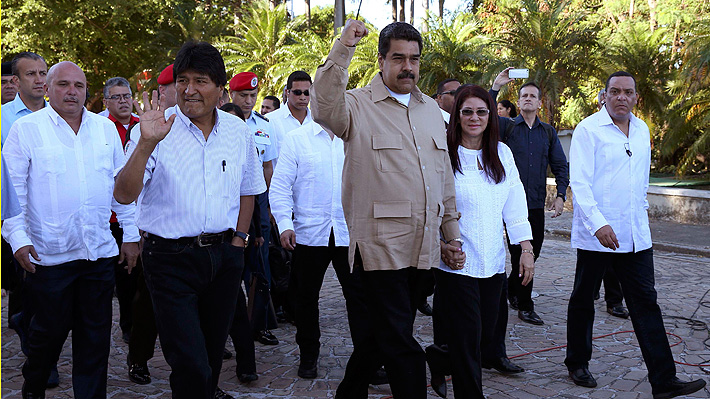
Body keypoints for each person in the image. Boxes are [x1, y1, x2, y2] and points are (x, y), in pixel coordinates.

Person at [312, 19, 465, 398]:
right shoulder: (357, 106)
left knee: (384, 335)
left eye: (414, 58)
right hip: (379, 249)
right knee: (400, 343)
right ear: (381, 60)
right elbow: (323, 106)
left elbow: (443, 177)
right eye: (398, 58)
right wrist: (343, 47)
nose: (407, 67)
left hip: (423, 248)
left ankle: (348, 392)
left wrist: (451, 236)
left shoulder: (431, 110)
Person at [114, 41, 266, 399]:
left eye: (201, 80)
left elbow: (249, 188)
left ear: (220, 88)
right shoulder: (152, 130)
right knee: (191, 363)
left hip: (224, 259)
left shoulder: (237, 130)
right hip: (169, 260)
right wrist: (146, 144)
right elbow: (123, 194)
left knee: (211, 359)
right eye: (183, 80)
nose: (189, 89)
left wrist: (239, 242)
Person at [3, 61, 140, 399]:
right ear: (47, 90)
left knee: (95, 341)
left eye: (79, 85)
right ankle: (33, 387)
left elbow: (120, 187)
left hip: (98, 254)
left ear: (87, 91)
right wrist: (18, 241)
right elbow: (10, 192)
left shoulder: (105, 129)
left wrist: (132, 233)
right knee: (46, 338)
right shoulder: (27, 129)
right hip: (48, 257)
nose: (72, 91)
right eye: (63, 84)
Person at [565, 71, 706, 398]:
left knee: (646, 303)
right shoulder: (588, 130)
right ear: (604, 95)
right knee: (585, 298)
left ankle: (663, 380)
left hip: (634, 237)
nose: (621, 98)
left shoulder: (642, 129)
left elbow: (640, 182)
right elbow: (581, 184)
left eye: (628, 92)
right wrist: (598, 223)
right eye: (614, 91)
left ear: (636, 97)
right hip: (597, 233)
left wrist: (640, 220)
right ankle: (576, 362)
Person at [428, 84, 534, 398]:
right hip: (456, 263)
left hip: (493, 264)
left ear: (491, 116)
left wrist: (525, 249)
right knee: (467, 341)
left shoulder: (502, 153)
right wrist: (442, 244)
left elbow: (515, 202)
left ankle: (439, 356)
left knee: (484, 338)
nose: (475, 118)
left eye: (482, 111)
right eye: (467, 112)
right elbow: (430, 204)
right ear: (456, 116)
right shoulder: (443, 155)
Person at [269, 120, 379, 388]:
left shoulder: (357, 137)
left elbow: (373, 182)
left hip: (349, 232)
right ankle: (308, 355)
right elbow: (280, 186)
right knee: (304, 299)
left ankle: (367, 363)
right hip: (308, 234)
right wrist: (284, 224)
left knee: (360, 298)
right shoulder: (297, 138)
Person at [500, 82, 569, 326]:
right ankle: (525, 305)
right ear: (518, 102)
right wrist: (498, 85)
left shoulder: (548, 132)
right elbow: (484, 105)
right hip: (509, 207)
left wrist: (561, 195)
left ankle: (511, 289)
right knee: (520, 252)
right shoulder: (506, 128)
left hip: (535, 205)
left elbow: (560, 165)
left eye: (532, 96)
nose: (528, 99)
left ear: (540, 103)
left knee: (533, 252)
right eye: (524, 96)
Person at [229, 71, 280, 346]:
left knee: (260, 267)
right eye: (243, 96)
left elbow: (268, 167)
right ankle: (225, 329)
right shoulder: (222, 121)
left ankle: (259, 324)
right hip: (228, 202)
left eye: (252, 96)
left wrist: (268, 204)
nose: (248, 101)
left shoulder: (265, 125)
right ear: (230, 95)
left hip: (257, 201)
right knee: (228, 267)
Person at [102, 76, 141, 344]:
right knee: (124, 279)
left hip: (143, 216)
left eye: (126, 95)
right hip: (112, 219)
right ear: (106, 101)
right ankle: (128, 327)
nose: (123, 101)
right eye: (116, 97)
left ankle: (143, 326)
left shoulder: (144, 126)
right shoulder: (99, 128)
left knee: (142, 279)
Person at [591, 88, 628, 319]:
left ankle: (614, 301)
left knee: (614, 266)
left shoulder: (636, 131)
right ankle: (592, 292)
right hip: (594, 217)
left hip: (619, 216)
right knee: (591, 268)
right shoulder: (589, 130)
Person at [1, 52, 48, 146]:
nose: (39, 80)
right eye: (31, 74)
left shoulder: (60, 115)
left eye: (43, 73)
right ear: (16, 80)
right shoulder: (3, 117)